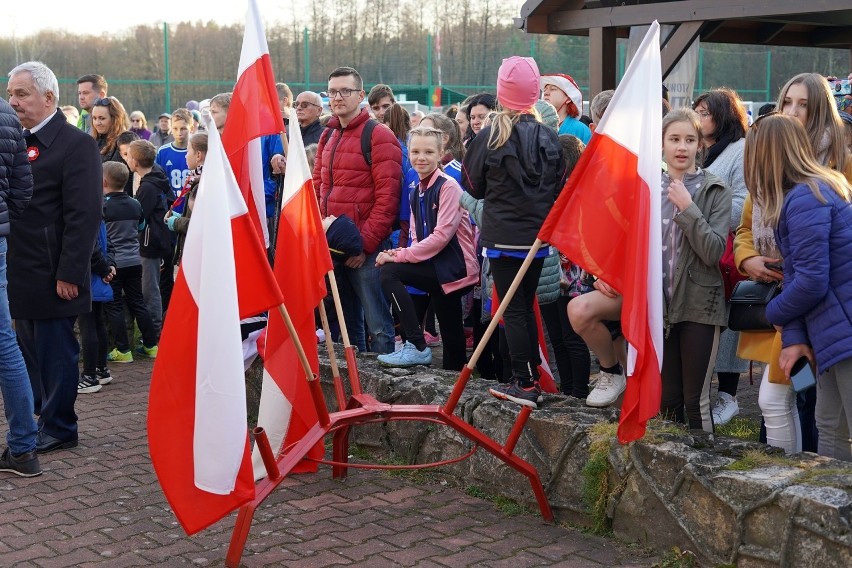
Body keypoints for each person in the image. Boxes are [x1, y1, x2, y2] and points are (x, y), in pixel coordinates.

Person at [735, 73, 849, 453]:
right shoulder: (782, 187)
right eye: (789, 102)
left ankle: (790, 468)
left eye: (804, 104)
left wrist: (776, 312)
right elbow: (746, 229)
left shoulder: (822, 180)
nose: (794, 110)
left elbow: (812, 273)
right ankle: (794, 472)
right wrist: (748, 257)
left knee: (797, 400)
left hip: (808, 309)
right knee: (795, 401)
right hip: (798, 315)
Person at [7, 61, 102, 453]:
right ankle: (45, 416)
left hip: (54, 272)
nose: (13, 102)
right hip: (21, 269)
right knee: (29, 350)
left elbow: (84, 215)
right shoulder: (16, 140)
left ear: (48, 98)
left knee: (57, 352)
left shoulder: (76, 145)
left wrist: (70, 272)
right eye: (10, 94)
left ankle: (61, 427)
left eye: (21, 94)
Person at [463, 56, 563, 409]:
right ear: (535, 94)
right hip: (536, 240)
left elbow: (472, 186)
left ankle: (524, 382)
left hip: (504, 239)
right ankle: (528, 374)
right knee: (523, 304)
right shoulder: (550, 136)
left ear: (501, 95)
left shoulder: (489, 135)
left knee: (515, 310)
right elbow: (557, 188)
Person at [313, 66, 402, 354]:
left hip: (367, 250)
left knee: (378, 325)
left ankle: (386, 387)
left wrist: (363, 245)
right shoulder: (328, 136)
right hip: (334, 246)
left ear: (361, 95)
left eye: (345, 91)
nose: (338, 97)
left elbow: (388, 198)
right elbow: (318, 187)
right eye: (332, 92)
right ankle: (356, 388)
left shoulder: (378, 135)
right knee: (347, 327)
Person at [375, 127, 478, 370]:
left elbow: (441, 236)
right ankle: (428, 355)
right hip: (435, 265)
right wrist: (396, 253)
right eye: (415, 151)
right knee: (452, 337)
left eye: (429, 152)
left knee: (390, 273)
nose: (421, 157)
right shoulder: (417, 186)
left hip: (454, 268)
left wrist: (401, 256)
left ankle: (417, 346)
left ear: (442, 153)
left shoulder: (448, 186)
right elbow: (414, 235)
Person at [657, 108, 730, 432]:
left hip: (699, 305)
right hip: (658, 307)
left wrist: (688, 208)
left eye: (689, 139)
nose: (681, 147)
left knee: (695, 399)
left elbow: (714, 250)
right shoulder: (648, 187)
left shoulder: (714, 189)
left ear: (701, 144)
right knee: (666, 399)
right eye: (674, 139)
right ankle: (670, 474)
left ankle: (704, 473)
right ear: (662, 144)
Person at [692, 88, 750, 426]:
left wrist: (705, 214)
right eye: (696, 111)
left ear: (723, 116)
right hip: (699, 248)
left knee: (729, 324)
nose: (698, 118)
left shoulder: (739, 150)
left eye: (704, 112)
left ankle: (727, 396)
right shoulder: (701, 149)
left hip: (725, 251)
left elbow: (744, 204)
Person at [0, 96, 39, 477]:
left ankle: (25, 447)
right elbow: (22, 189)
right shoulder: (7, 117)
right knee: (5, 343)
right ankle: (25, 448)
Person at [102, 161, 159, 363]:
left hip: (114, 264)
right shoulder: (135, 204)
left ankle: (123, 350)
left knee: (115, 305)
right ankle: (151, 346)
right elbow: (142, 225)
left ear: (104, 181)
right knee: (138, 303)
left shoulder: (104, 206)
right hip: (135, 261)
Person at [126, 140, 171, 342]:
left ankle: (153, 334)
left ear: (134, 162)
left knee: (149, 288)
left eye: (127, 155)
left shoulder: (148, 187)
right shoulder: (154, 179)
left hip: (149, 243)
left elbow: (140, 214)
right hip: (152, 241)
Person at [540, 73, 592, 143]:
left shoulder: (581, 130)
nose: (546, 93)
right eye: (545, 90)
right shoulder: (536, 127)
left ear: (568, 98)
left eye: (553, 89)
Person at [155, 108, 192, 204]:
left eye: (183, 128)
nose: (179, 133)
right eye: (175, 128)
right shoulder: (163, 152)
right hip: (170, 207)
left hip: (192, 208)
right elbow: (158, 182)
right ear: (171, 129)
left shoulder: (198, 151)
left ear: (191, 128)